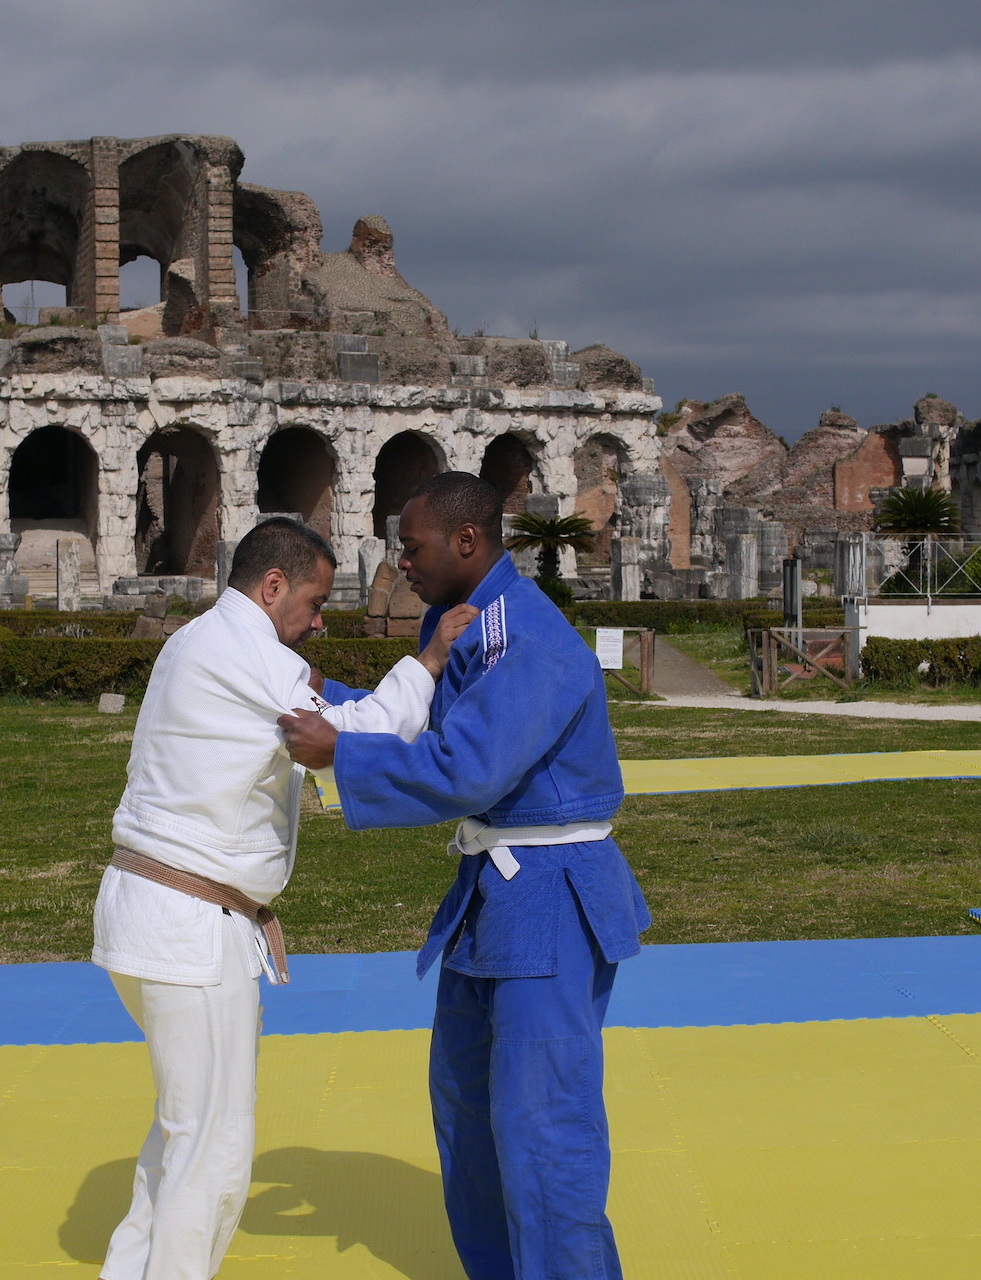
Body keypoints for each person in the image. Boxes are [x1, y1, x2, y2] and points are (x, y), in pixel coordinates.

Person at [280, 473, 650, 1280]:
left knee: (543, 1129)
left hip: (551, 896)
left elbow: (468, 765)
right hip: (499, 897)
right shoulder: (475, 628)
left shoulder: (530, 638)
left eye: (411, 548)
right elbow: (430, 721)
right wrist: (327, 699)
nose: (401, 562)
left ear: (467, 543)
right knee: (467, 1111)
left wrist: (340, 750)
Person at [94, 516, 478, 1280]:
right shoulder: (241, 649)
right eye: (311, 600)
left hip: (157, 914)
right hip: (188, 928)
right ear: (271, 588)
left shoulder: (202, 642)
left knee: (184, 1132)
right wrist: (429, 663)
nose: (318, 617)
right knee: (216, 1148)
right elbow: (356, 731)